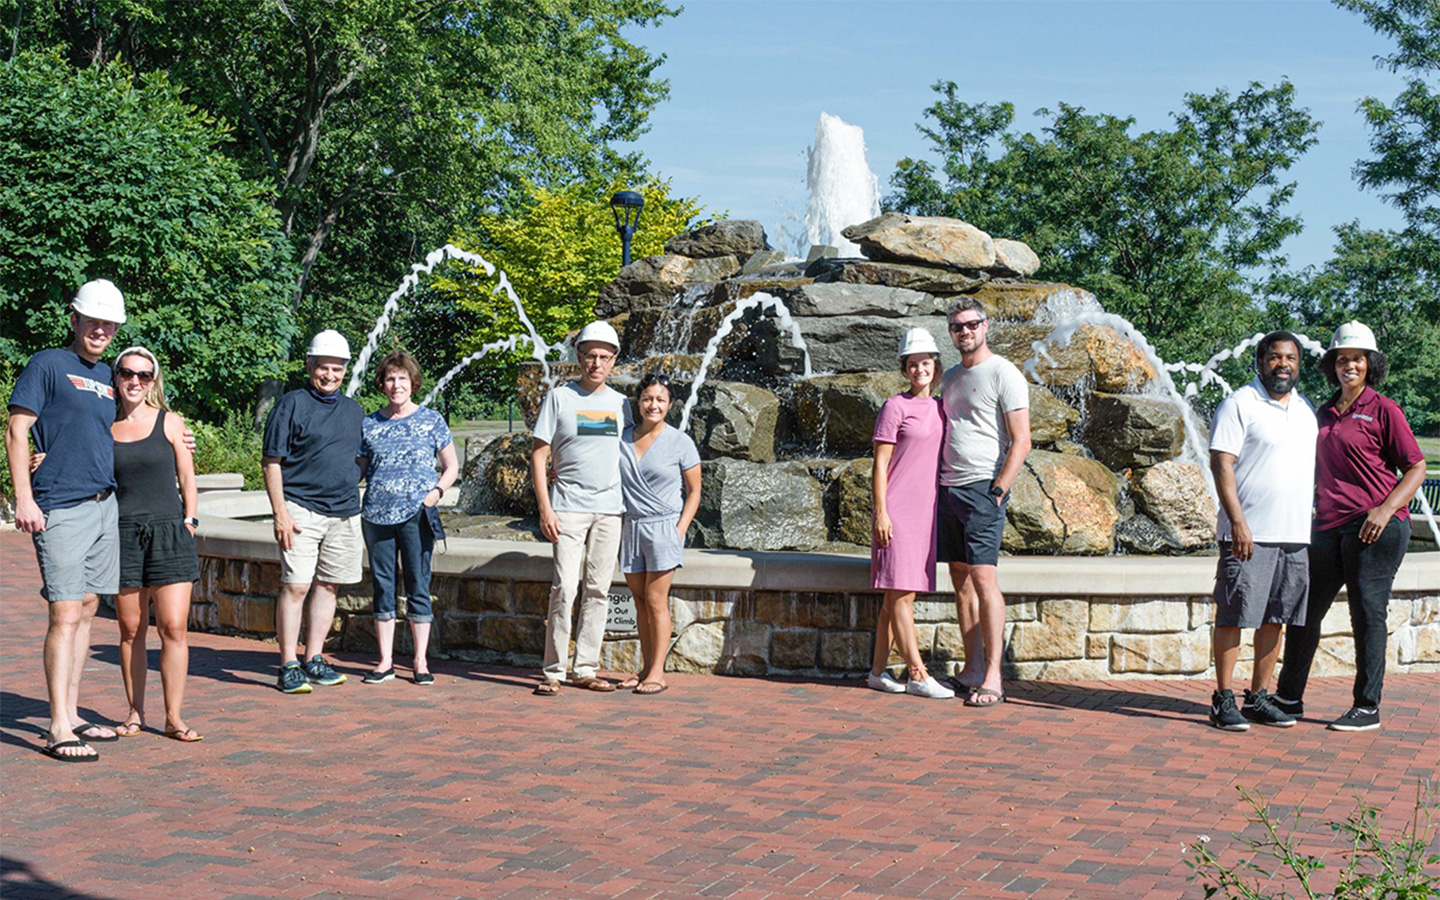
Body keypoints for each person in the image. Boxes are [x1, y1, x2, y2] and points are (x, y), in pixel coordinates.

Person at [1275, 321, 1426, 732]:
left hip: (1375, 527)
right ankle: (1288, 699)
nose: (1349, 367)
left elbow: (1416, 467)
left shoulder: (1383, 409)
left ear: (1369, 364)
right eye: (1342, 360)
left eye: (1357, 360)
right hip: (1327, 526)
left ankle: (1367, 706)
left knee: (1367, 613)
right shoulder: (1322, 412)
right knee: (1304, 611)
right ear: (1332, 365)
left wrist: (1385, 509)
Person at [6, 280, 128, 761]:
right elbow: (18, 430)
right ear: (74, 320)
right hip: (62, 504)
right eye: (92, 320)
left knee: (88, 607)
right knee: (64, 611)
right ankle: (58, 726)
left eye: (108, 323)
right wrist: (25, 497)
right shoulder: (47, 364)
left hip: (104, 505)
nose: (100, 329)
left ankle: (72, 711)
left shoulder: (105, 377)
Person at [1205, 331, 1316, 731]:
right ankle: (1223, 699)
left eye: (1290, 358)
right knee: (1234, 615)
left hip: (1293, 536)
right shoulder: (1240, 403)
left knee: (1275, 618)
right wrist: (1237, 521)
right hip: (1248, 533)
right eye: (1274, 357)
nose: (1282, 364)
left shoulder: (1305, 410)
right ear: (1259, 361)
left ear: (1298, 364)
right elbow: (1222, 464)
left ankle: (1259, 696)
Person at [106, 346, 203, 741]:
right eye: (127, 373)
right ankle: (134, 712)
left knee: (174, 627)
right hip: (122, 533)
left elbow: (187, 477)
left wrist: (190, 521)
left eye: (144, 375)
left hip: (168, 532)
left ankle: (173, 717)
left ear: (153, 381)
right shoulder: (102, 424)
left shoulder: (170, 422)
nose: (135, 381)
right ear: (116, 377)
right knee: (130, 629)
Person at [530, 320, 632, 696]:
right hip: (568, 508)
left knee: (599, 589)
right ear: (579, 357)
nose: (596, 363)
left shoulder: (623, 404)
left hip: (610, 509)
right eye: (590, 355)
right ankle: (553, 670)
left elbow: (634, 453)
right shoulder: (560, 397)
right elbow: (539, 456)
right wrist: (545, 508)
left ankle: (585, 667)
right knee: (565, 588)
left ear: (614, 360)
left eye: (604, 357)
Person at [261, 330, 365, 694]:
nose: (330, 376)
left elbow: (361, 459)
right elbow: (271, 462)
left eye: (337, 369)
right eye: (324, 368)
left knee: (328, 585)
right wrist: (280, 513)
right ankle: (288, 663)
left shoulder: (354, 411)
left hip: (344, 513)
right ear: (310, 366)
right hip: (301, 510)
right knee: (296, 586)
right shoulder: (291, 404)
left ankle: (314, 658)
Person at [938, 298, 1031, 707]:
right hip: (948, 488)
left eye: (971, 325)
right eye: (957, 327)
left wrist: (998, 489)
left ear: (985, 326)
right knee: (960, 581)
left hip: (981, 489)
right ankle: (972, 667)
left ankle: (994, 675)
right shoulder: (951, 376)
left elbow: (1022, 439)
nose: (965, 332)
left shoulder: (1003, 372)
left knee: (983, 579)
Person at [358, 351, 458, 686]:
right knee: (383, 586)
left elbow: (451, 466)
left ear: (412, 382)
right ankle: (385, 660)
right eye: (390, 378)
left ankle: (420, 661)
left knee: (418, 585)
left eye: (402, 378)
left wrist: (437, 493)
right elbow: (357, 469)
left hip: (417, 516)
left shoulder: (431, 420)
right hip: (376, 516)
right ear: (382, 384)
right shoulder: (370, 423)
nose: (396, 384)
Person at [866, 328, 954, 700]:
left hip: (926, 512)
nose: (920, 369)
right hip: (898, 511)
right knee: (901, 596)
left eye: (926, 363)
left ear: (936, 366)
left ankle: (876, 672)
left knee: (897, 597)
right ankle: (918, 674)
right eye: (913, 364)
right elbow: (879, 464)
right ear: (905, 369)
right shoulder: (894, 407)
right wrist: (881, 513)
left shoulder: (940, 406)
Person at [618, 373, 702, 695]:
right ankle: (643, 668)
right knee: (639, 602)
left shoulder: (680, 441)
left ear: (670, 405)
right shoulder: (623, 438)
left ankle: (658, 672)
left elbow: (695, 491)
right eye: (648, 399)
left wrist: (680, 530)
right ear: (638, 402)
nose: (653, 405)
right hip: (631, 527)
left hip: (664, 527)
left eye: (660, 400)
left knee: (656, 601)